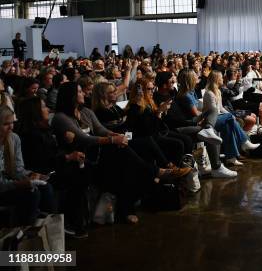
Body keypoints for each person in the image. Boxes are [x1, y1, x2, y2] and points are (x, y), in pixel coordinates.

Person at [51, 82, 155, 224]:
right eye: (80, 91)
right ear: (71, 96)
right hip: (85, 157)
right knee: (124, 156)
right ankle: (154, 173)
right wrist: (113, 140)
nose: (83, 94)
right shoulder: (61, 118)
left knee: (135, 150)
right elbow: (84, 139)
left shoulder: (85, 112)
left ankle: (137, 195)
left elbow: (100, 130)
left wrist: (116, 135)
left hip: (99, 151)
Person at [16, 97, 89, 237]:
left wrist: (68, 144)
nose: (47, 109)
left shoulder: (44, 128)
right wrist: (68, 156)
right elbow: (43, 160)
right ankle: (67, 222)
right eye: (43, 107)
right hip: (43, 171)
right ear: (35, 111)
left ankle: (75, 220)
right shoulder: (30, 135)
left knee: (83, 171)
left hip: (53, 166)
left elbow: (54, 152)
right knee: (77, 177)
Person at [0, 105, 56, 225]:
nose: (11, 127)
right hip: (3, 186)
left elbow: (18, 169)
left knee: (46, 187)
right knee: (31, 194)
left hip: (10, 181)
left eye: (12, 123)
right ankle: (24, 231)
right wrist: (21, 184)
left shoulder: (14, 138)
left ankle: (48, 226)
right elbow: (1, 185)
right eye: (5, 124)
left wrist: (32, 175)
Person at [202, 71, 259, 167]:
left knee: (228, 125)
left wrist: (229, 115)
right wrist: (228, 116)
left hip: (219, 118)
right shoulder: (209, 93)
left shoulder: (218, 91)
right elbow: (213, 111)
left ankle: (231, 158)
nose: (222, 79)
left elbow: (221, 108)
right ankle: (244, 142)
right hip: (210, 120)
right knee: (229, 118)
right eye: (220, 78)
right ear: (216, 79)